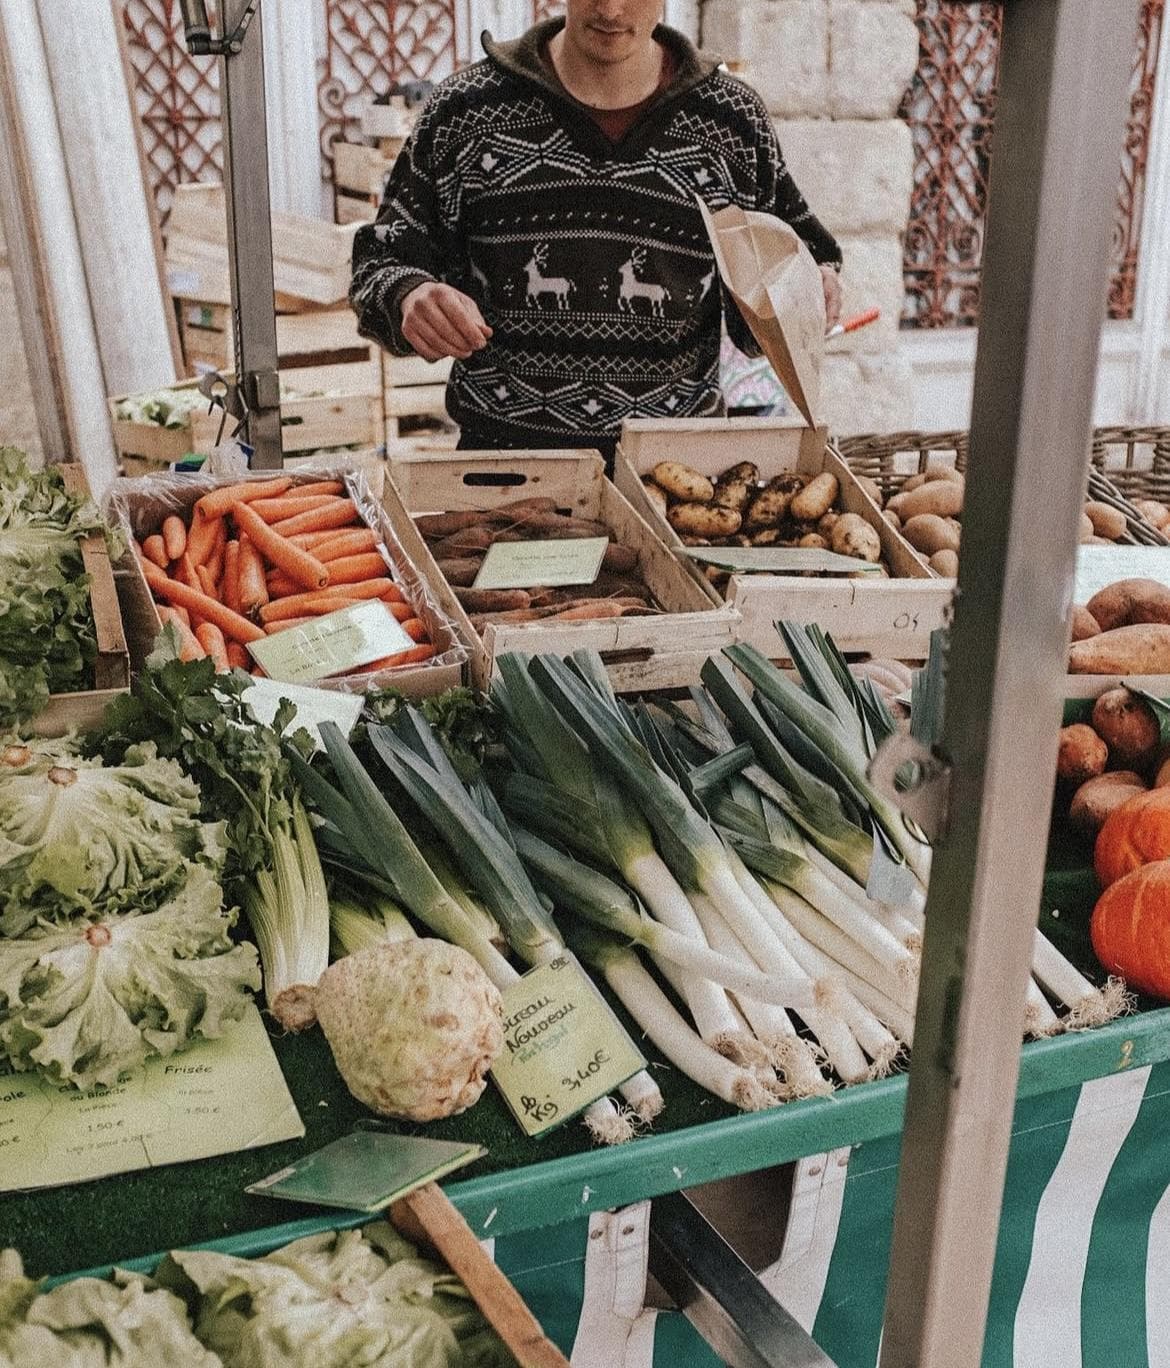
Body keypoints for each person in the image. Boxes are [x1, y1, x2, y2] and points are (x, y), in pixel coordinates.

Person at [350, 0, 843, 467]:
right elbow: (378, 262)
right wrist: (407, 295)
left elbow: (790, 272)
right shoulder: (465, 113)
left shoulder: (730, 123)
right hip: (505, 484)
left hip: (675, 484)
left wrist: (809, 289)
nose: (610, 10)